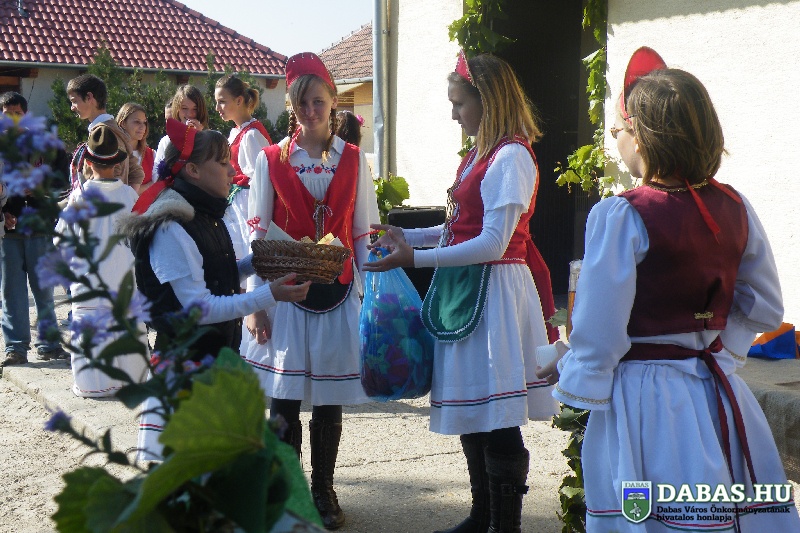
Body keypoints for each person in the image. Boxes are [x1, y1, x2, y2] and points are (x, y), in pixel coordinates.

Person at [537, 47, 800, 532]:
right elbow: (764, 305)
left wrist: (577, 374)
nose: (617, 142)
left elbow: (600, 330)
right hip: (716, 391)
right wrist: (719, 350)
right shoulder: (735, 206)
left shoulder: (622, 215)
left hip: (645, 398)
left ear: (641, 136)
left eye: (617, 132)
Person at [362, 51, 558, 533]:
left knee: (498, 419)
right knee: (475, 410)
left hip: (496, 292)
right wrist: (409, 235)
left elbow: (493, 243)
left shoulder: (511, 156)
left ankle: (504, 526)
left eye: (459, 103)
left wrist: (414, 259)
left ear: (488, 101)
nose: (454, 114)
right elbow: (461, 227)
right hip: (469, 289)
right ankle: (482, 517)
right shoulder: (480, 154)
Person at [243, 52, 380, 530]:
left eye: (318, 101)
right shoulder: (270, 160)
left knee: (328, 397)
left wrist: (371, 295)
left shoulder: (354, 159)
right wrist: (257, 302)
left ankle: (323, 489)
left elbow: (363, 231)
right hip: (286, 294)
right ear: (291, 106)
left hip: (338, 292)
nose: (311, 111)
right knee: (283, 399)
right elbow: (257, 232)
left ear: (333, 102)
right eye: (302, 103)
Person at [121, 119, 310, 461]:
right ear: (193, 170)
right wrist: (269, 295)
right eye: (222, 163)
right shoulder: (171, 227)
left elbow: (215, 276)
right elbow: (199, 308)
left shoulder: (204, 215)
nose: (231, 170)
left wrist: (259, 262)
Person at [56, 125, 148, 397]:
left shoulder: (79, 197)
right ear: (117, 164)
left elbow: (61, 240)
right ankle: (132, 379)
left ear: (87, 162)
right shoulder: (129, 196)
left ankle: (93, 384)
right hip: (122, 277)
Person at [0, 92, 68, 367]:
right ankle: (15, 348)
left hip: (40, 227)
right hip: (8, 232)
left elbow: (64, 181)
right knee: (12, 293)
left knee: (44, 290)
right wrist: (3, 213)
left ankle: (49, 345)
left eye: (17, 113)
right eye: (7, 114)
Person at [214, 75, 272, 264]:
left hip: (247, 204)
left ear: (239, 101)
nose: (217, 108)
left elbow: (261, 180)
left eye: (222, 102)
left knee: (247, 252)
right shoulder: (238, 131)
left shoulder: (251, 135)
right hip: (237, 203)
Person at [66, 74, 144, 193]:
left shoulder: (105, 133)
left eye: (74, 101)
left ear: (89, 97)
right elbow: (135, 171)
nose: (72, 108)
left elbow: (110, 179)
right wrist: (129, 198)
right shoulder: (110, 129)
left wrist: (125, 199)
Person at [152, 85, 208, 179]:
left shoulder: (213, 137)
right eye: (184, 108)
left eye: (195, 109)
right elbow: (156, 175)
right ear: (177, 109)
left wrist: (200, 136)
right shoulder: (166, 141)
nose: (190, 114)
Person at [116, 102, 155, 194]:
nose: (142, 127)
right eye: (137, 122)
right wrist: (147, 187)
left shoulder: (152, 155)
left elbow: (158, 186)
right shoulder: (112, 153)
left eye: (144, 122)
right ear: (123, 123)